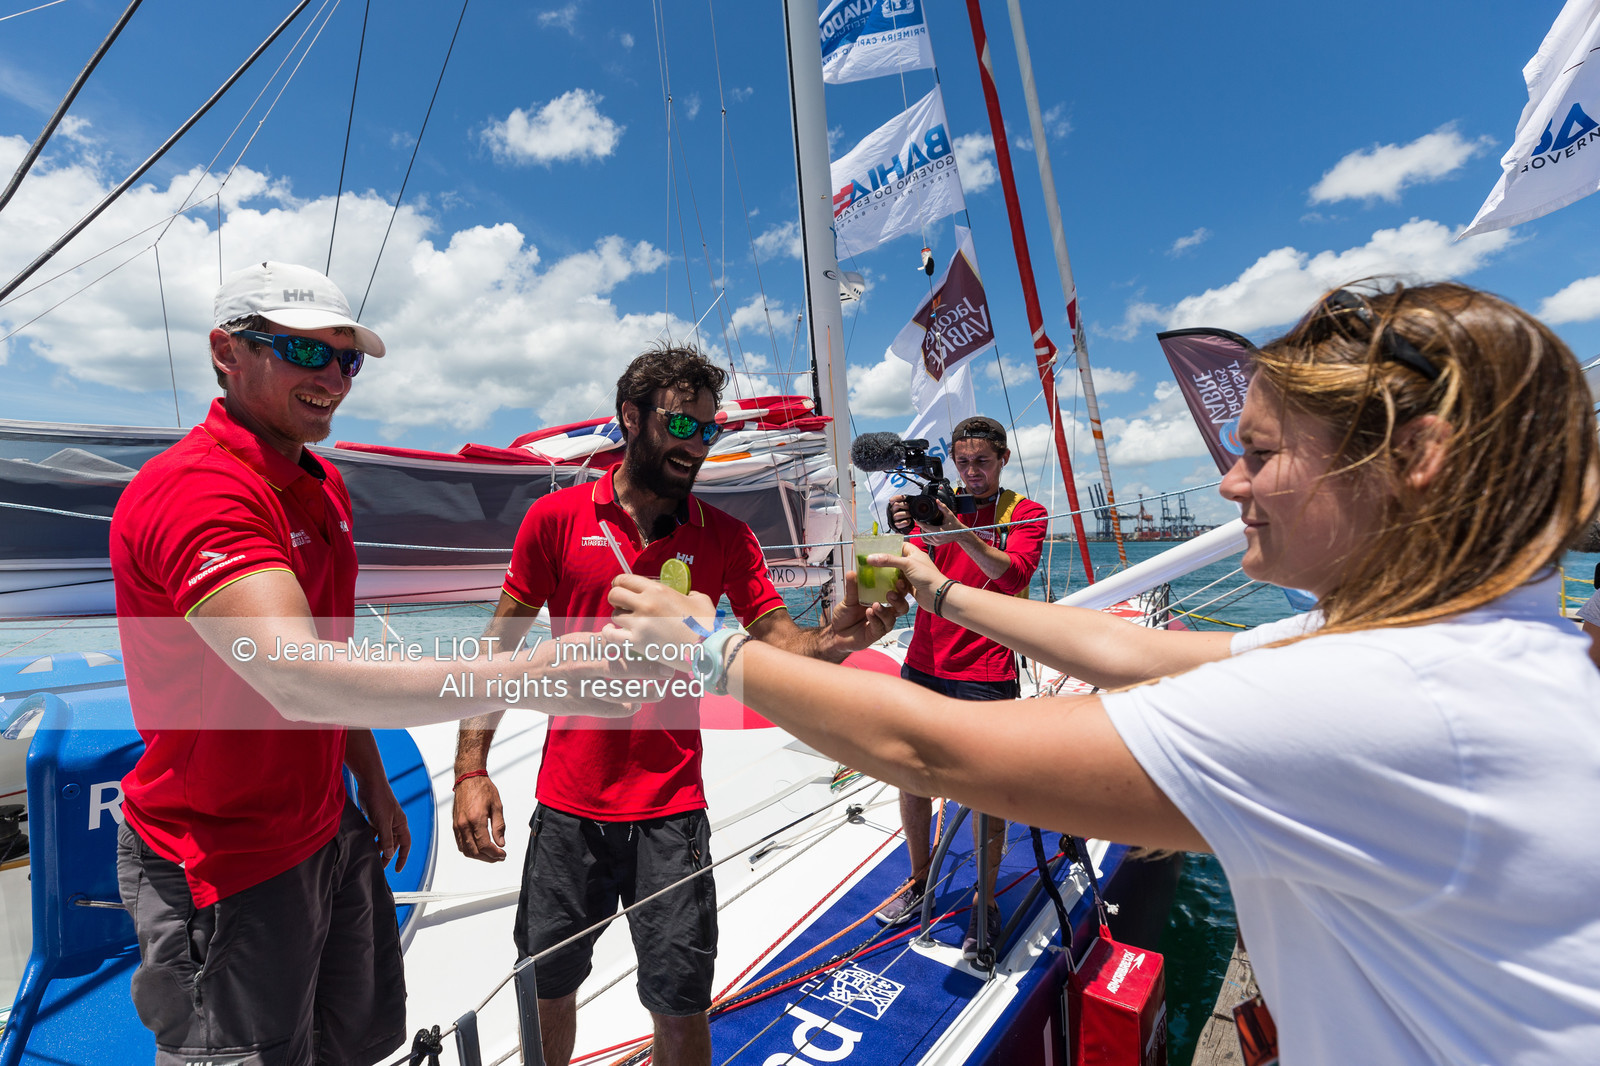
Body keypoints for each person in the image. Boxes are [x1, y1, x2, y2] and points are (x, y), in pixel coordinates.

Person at [606, 281, 1600, 1064]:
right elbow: (1132, 651)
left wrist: (705, 646)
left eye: (1256, 451)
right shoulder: (1446, 654)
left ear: (1415, 455)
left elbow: (932, 748)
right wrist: (936, 587)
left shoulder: (1387, 698)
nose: (1227, 482)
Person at [112, 262, 662, 1066]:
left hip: (322, 823)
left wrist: (364, 775)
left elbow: (329, 655)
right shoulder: (201, 491)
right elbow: (295, 674)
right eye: (306, 352)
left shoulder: (318, 480)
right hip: (225, 855)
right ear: (226, 353)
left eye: (347, 360)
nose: (333, 377)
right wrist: (538, 673)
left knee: (350, 1045)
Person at [449, 344, 905, 1066]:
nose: (699, 444)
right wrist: (470, 769)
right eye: (682, 426)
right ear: (630, 418)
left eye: (710, 430)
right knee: (546, 988)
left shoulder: (724, 537)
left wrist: (839, 639)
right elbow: (498, 646)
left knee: (682, 1004)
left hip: (671, 812)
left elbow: (782, 644)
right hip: (569, 808)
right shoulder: (555, 518)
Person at [876, 415, 1046, 959]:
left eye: (983, 463)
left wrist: (953, 528)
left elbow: (1011, 576)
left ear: (1002, 460)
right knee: (912, 777)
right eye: (963, 462)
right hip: (923, 661)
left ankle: (986, 902)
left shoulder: (1026, 513)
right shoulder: (932, 505)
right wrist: (894, 527)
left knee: (983, 792)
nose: (972, 473)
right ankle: (919, 879)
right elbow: (889, 578)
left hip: (985, 671)